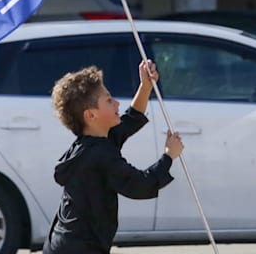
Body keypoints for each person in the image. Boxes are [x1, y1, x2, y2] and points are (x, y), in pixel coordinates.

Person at [44, 60, 184, 254]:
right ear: (91, 115)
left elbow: (130, 119)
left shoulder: (93, 142)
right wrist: (169, 155)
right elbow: (140, 185)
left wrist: (146, 86)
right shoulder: (100, 155)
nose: (117, 103)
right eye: (109, 100)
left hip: (63, 245)